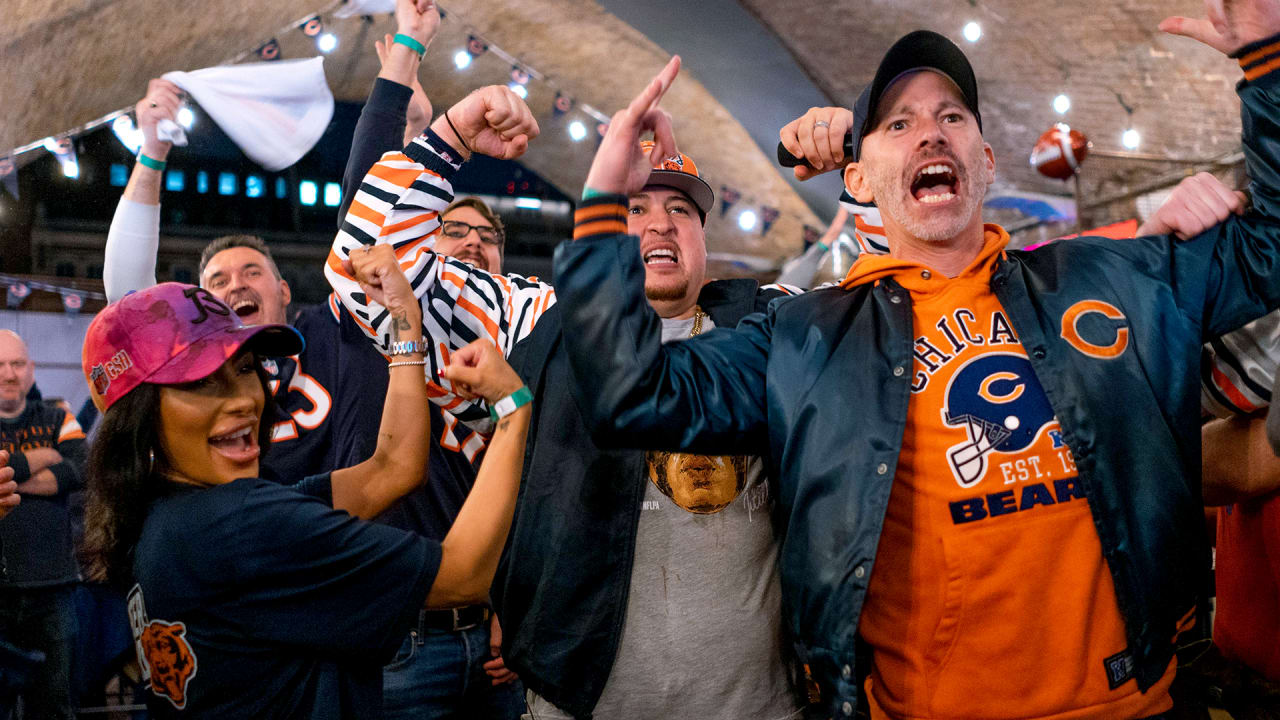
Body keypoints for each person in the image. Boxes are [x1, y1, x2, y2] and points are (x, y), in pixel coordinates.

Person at [546, 3, 1280, 717]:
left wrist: (1269, 64)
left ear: (984, 163)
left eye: (952, 117)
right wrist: (606, 199)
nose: (930, 132)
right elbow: (628, 395)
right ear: (859, 181)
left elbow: (1268, 250)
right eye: (898, 124)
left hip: (1138, 698)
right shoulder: (803, 337)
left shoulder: (1105, 277)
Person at [327, 66, 806, 719]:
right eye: (634, 207)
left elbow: (900, 320)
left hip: (759, 706)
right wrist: (450, 138)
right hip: (579, 703)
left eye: (680, 211)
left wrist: (857, 158)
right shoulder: (535, 320)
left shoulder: (770, 321)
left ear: (704, 238)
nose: (660, 225)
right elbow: (360, 271)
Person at [79, 244, 531, 717]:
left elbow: (393, 469)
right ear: (138, 418)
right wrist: (513, 409)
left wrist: (403, 320)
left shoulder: (165, 510)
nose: (244, 399)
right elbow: (462, 575)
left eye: (245, 368)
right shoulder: (239, 523)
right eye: (200, 381)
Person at [333, 6, 523, 716]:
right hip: (401, 639)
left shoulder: (519, 338)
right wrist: (402, 61)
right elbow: (366, 212)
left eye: (487, 236)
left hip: (497, 633)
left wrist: (515, 603)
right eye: (453, 231)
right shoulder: (386, 319)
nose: (472, 242)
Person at [0, 329, 86, 720]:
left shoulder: (59, 417)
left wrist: (9, 477)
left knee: (55, 707)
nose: (9, 373)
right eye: (1, 365)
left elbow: (80, 470)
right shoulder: (53, 432)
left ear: (31, 369)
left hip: (54, 589)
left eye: (18, 363)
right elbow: (62, 468)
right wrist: (46, 456)